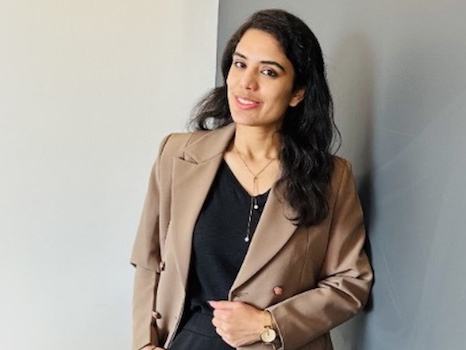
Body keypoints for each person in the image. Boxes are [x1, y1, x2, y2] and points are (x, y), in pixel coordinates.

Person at [130, 8, 373, 350]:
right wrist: (143, 343)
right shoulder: (178, 155)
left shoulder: (330, 177)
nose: (247, 82)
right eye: (240, 64)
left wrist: (269, 325)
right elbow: (148, 259)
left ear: (297, 92)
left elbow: (351, 282)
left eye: (269, 72)